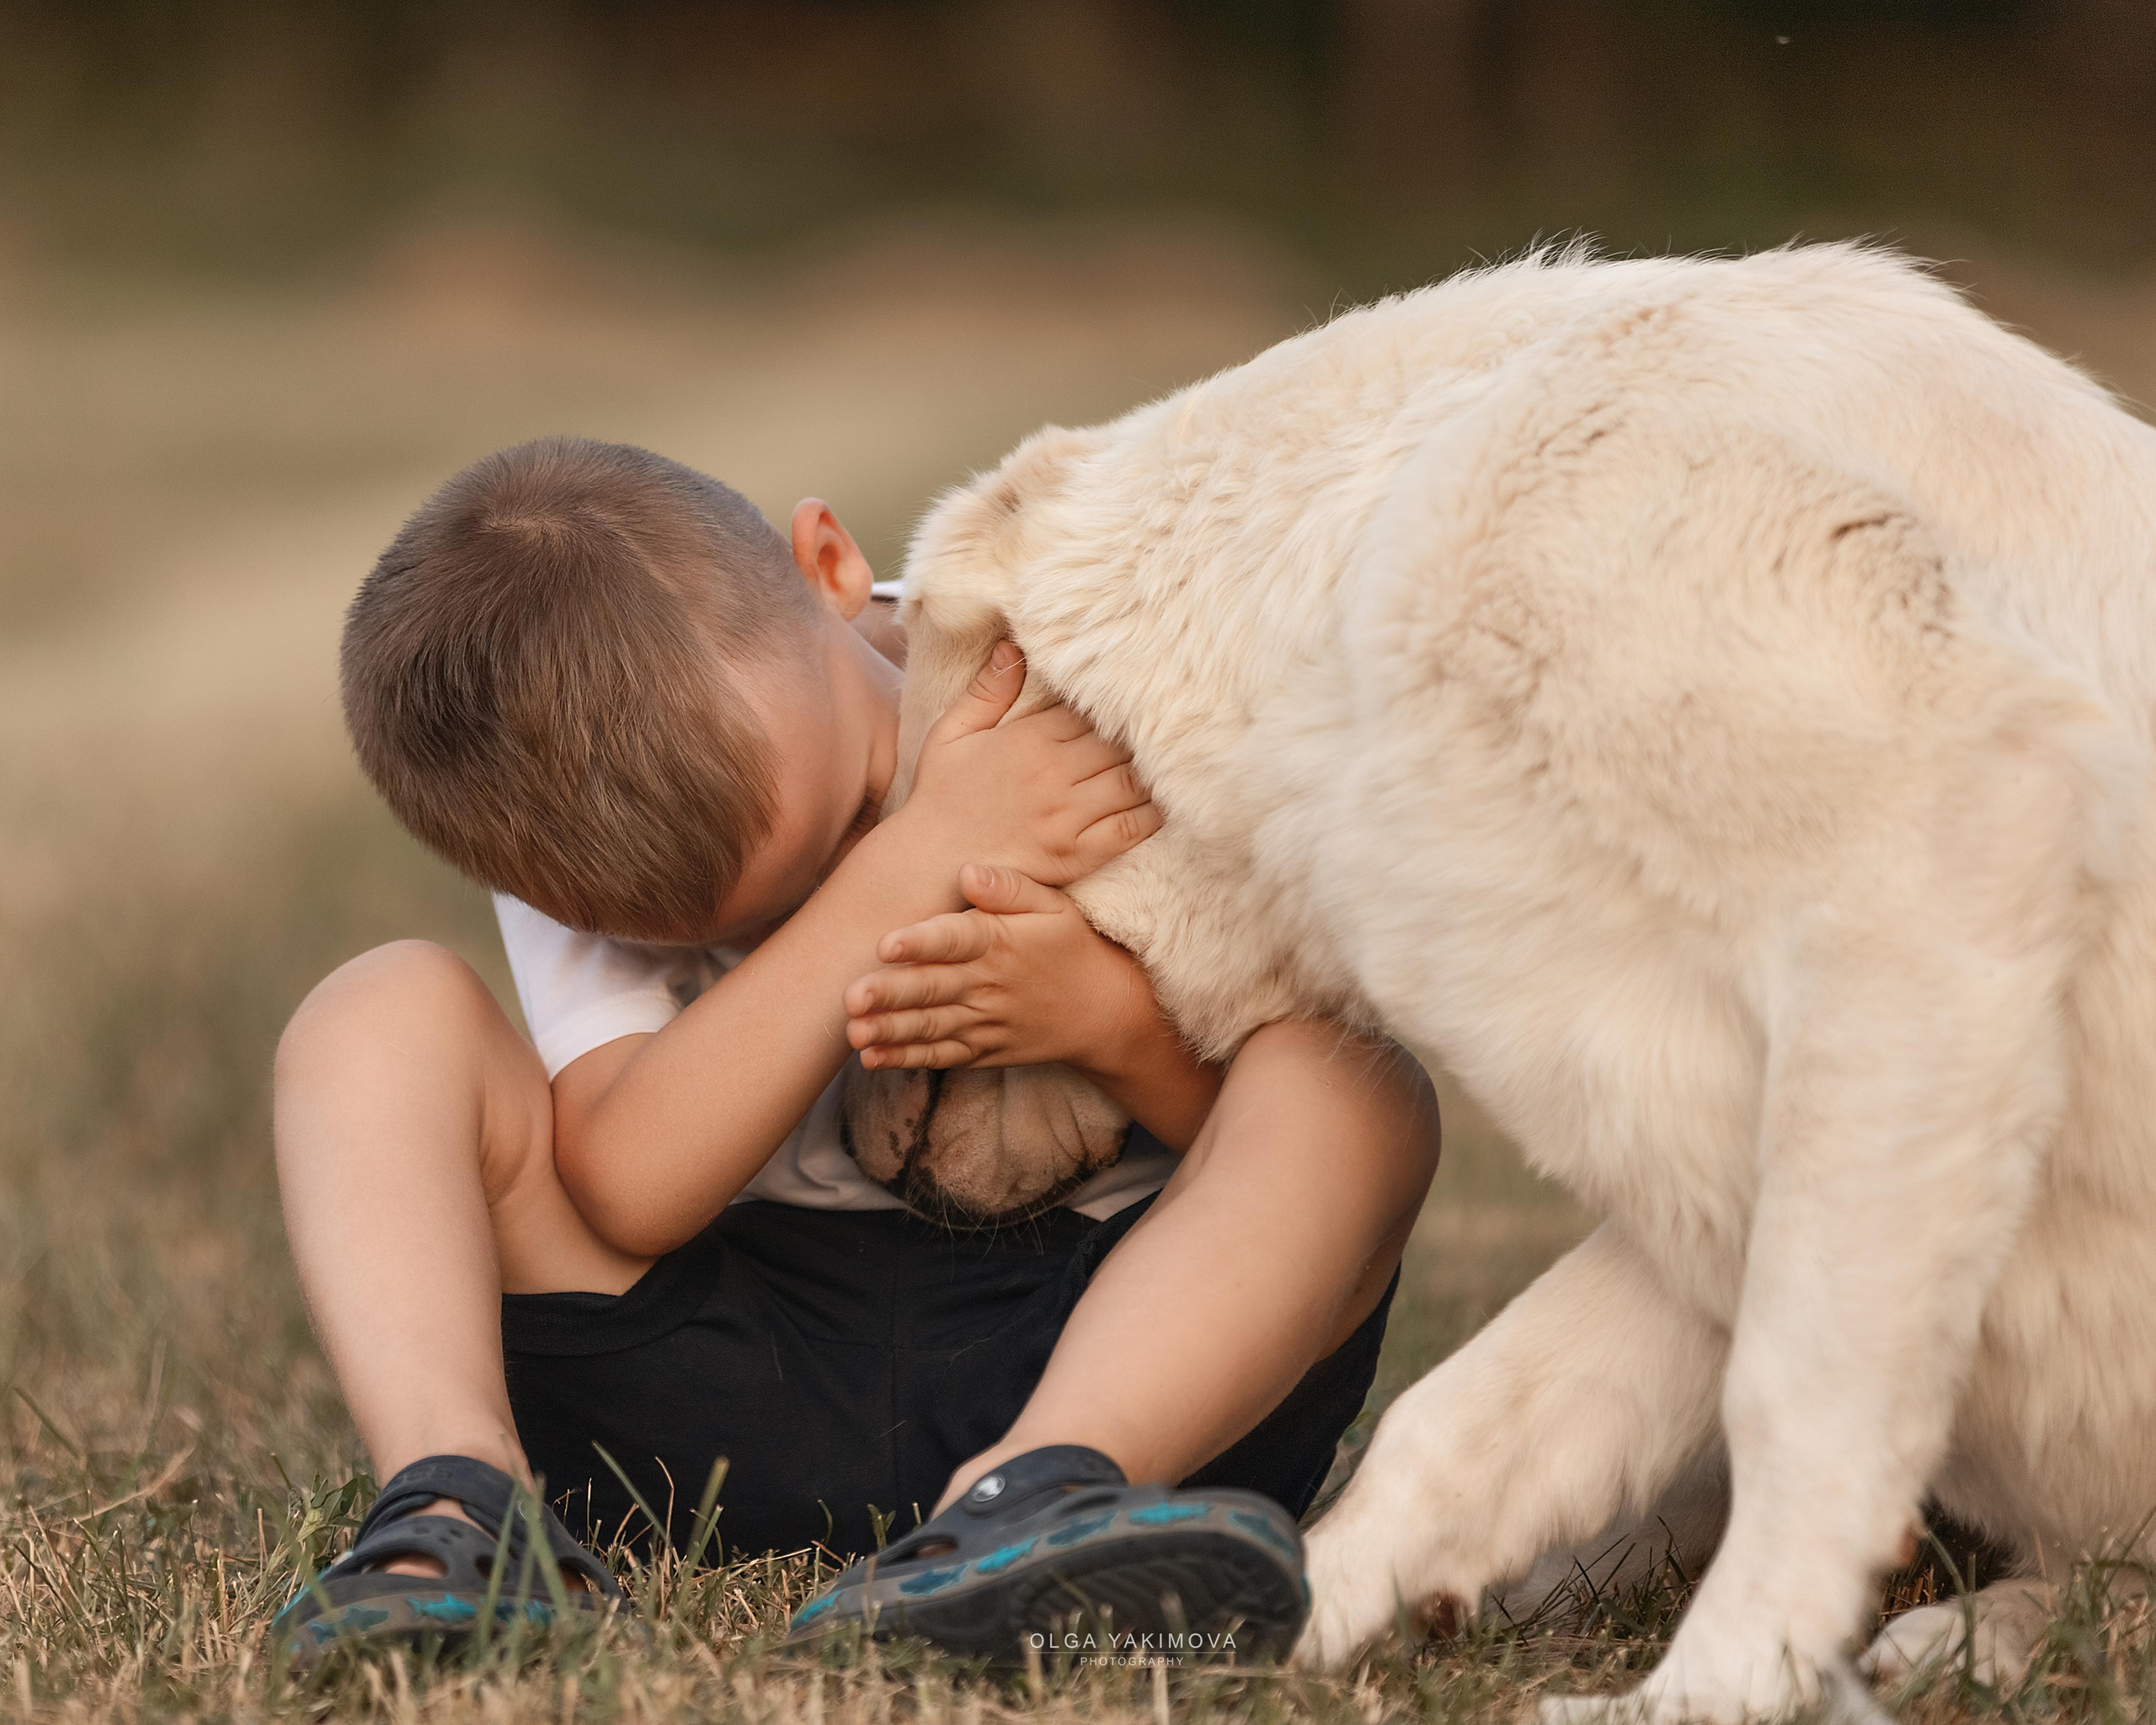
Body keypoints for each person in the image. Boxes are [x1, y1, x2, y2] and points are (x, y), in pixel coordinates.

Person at [270, 436, 1439, 1665]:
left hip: (1133, 1356)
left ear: (829, 568)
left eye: (840, 828)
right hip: (715, 1389)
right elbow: (630, 1185)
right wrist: (910, 854)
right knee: (378, 1008)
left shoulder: (1081, 683)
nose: (820, 899)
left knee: (1354, 1088)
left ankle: (1044, 1497)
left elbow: (1254, 1144)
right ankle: (461, 1503)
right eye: (725, 936)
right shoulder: (566, 801)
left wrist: (1110, 1026)